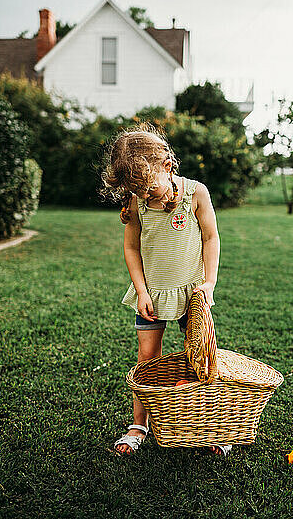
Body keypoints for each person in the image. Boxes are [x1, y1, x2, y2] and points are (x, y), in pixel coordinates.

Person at [100, 122, 232, 457]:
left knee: (201, 359)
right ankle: (140, 425)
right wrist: (142, 291)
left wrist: (210, 282)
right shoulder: (135, 202)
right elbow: (131, 248)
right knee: (147, 358)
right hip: (153, 294)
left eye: (149, 187)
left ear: (168, 166)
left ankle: (209, 428)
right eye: (137, 190)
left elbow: (210, 237)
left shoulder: (195, 193)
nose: (146, 195)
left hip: (192, 294)